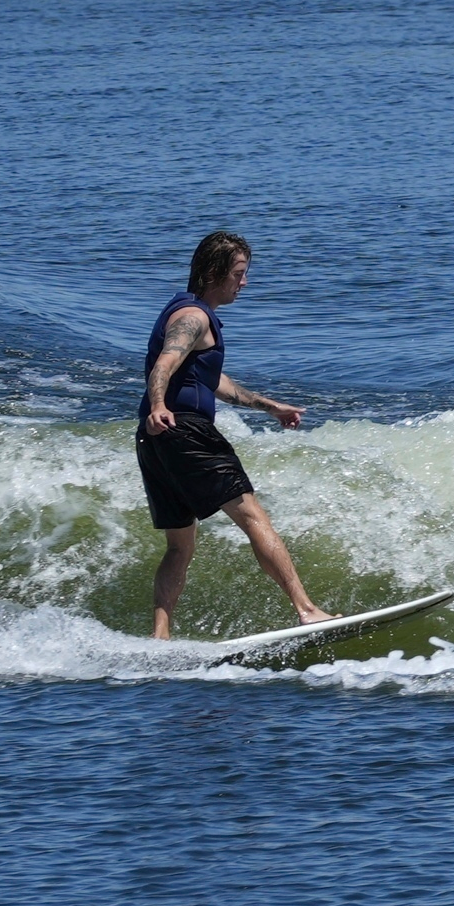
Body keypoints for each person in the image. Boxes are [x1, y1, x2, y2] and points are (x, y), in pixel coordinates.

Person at [136, 230, 327, 638]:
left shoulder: (186, 312)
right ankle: (307, 609)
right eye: (239, 273)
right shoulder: (193, 318)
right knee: (254, 517)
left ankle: (159, 636)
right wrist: (158, 405)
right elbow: (164, 365)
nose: (244, 282)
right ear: (211, 273)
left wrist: (269, 406)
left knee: (179, 545)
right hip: (185, 432)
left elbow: (210, 380)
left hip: (155, 440)